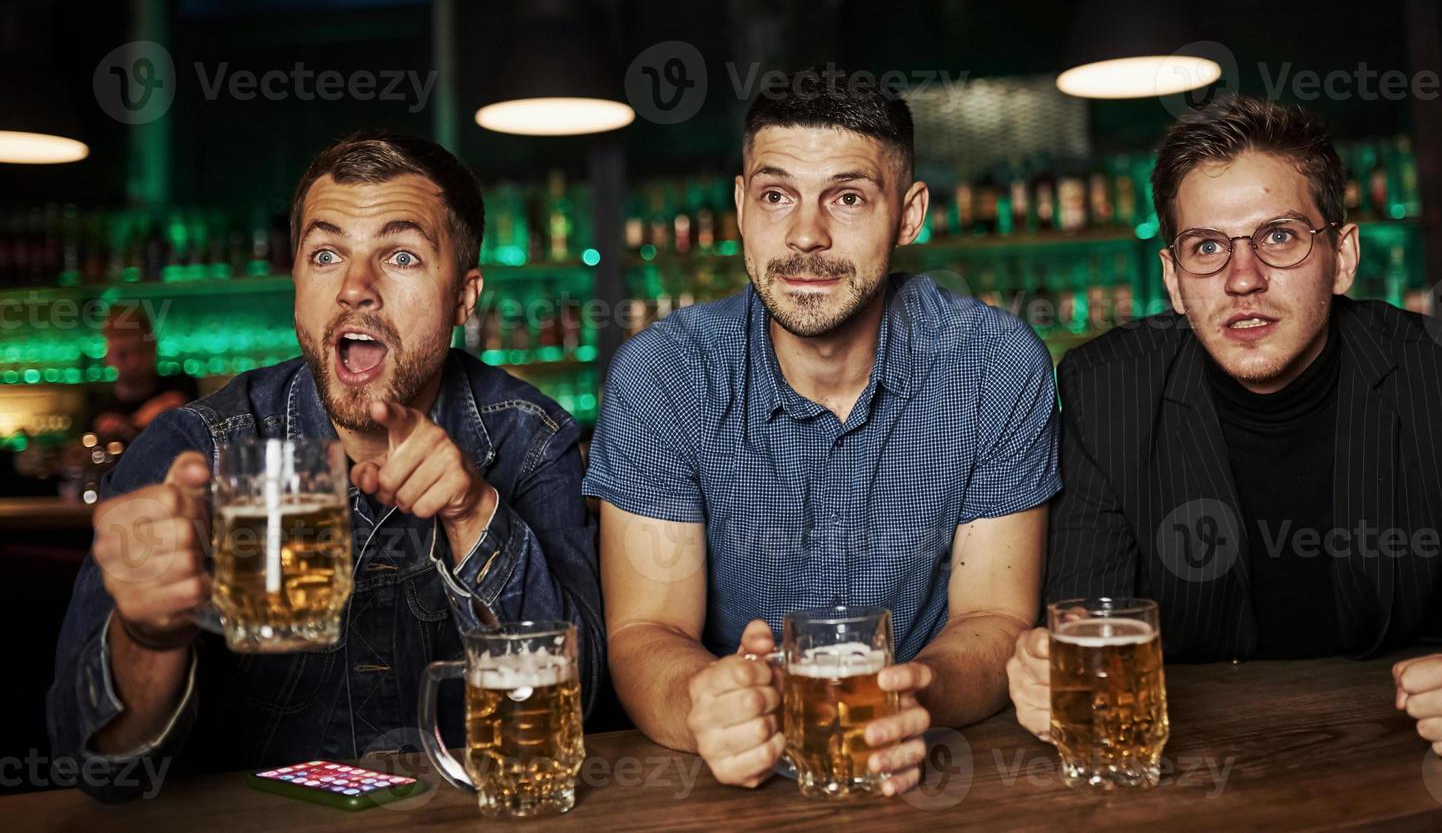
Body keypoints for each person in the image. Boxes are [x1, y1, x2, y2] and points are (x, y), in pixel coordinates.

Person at [48, 132, 604, 802]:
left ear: (464, 295)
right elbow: (93, 770)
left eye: (400, 255)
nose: (355, 289)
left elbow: (579, 710)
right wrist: (149, 634)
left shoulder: (528, 437)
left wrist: (475, 513)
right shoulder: (192, 449)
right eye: (325, 254)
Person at [1008, 94, 1442, 764]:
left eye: (1278, 236)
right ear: (1174, 280)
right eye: (1206, 246)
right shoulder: (1104, 388)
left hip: (1400, 757)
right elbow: (1084, 626)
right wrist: (1048, 680)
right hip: (1187, 774)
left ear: (1344, 255)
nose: (1242, 279)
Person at [586, 67, 1060, 794]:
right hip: (725, 789)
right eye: (776, 196)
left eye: (846, 197)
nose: (805, 235)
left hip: (936, 778)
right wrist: (701, 704)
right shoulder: (663, 374)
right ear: (741, 206)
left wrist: (911, 695)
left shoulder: (993, 365)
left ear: (908, 214)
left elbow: (993, 617)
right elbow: (645, 634)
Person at [86, 305, 201, 444]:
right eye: (123, 355)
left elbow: (179, 405)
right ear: (106, 356)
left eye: (141, 350)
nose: (134, 362)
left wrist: (126, 425)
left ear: (154, 347)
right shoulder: (97, 406)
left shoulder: (181, 384)